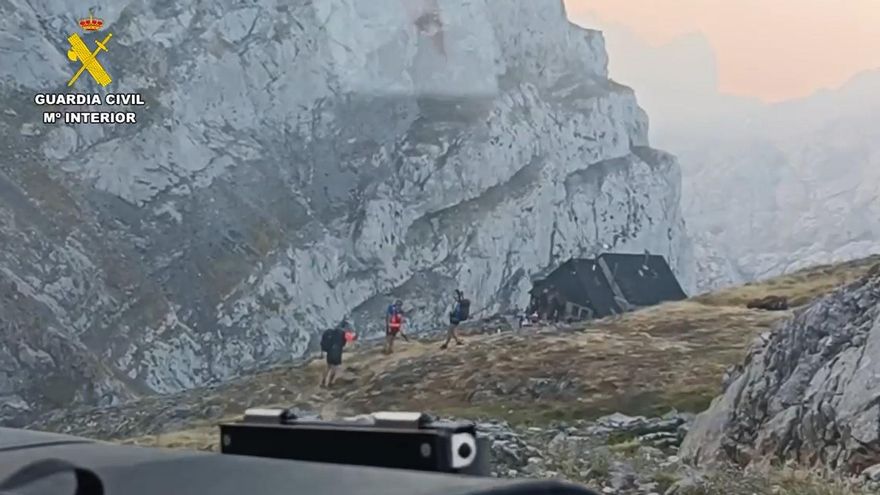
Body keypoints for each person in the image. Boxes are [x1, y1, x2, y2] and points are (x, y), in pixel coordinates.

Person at [319, 321, 348, 388]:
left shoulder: (331, 333)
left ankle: (323, 382)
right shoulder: (342, 334)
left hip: (330, 352)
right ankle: (330, 383)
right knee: (334, 368)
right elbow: (343, 344)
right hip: (337, 353)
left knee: (328, 367)